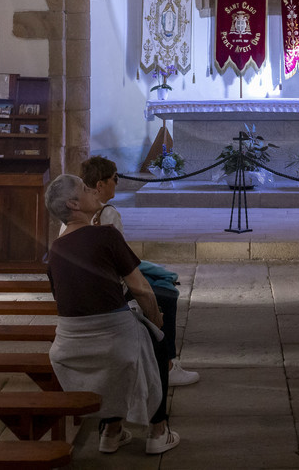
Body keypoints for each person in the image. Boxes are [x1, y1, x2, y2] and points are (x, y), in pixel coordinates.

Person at [45, 173, 180, 455]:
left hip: (68, 349)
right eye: (84, 189)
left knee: (119, 349)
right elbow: (141, 289)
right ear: (73, 204)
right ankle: (158, 431)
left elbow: (65, 299)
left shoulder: (55, 249)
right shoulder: (105, 234)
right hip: (113, 343)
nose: (94, 189)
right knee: (155, 342)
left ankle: (111, 431)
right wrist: (156, 320)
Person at [72, 156, 199, 387]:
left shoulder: (72, 215)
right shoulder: (107, 214)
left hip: (82, 288)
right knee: (167, 298)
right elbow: (121, 264)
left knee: (158, 281)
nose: (117, 182)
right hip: (108, 291)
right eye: (114, 178)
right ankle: (167, 366)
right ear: (100, 185)